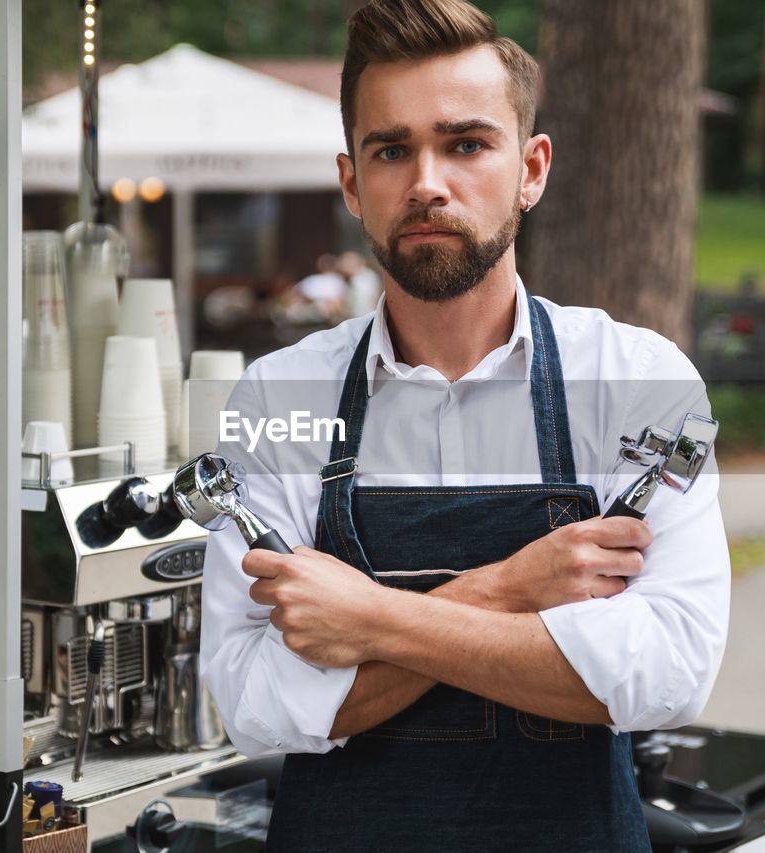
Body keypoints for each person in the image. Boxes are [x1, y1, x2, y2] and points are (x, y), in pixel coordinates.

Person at [199, 0, 730, 849]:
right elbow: (256, 707)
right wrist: (516, 586)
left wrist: (368, 619)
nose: (427, 183)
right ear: (351, 183)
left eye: (466, 143)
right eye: (391, 149)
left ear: (532, 168)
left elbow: (664, 675)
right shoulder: (278, 398)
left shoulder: (640, 380)